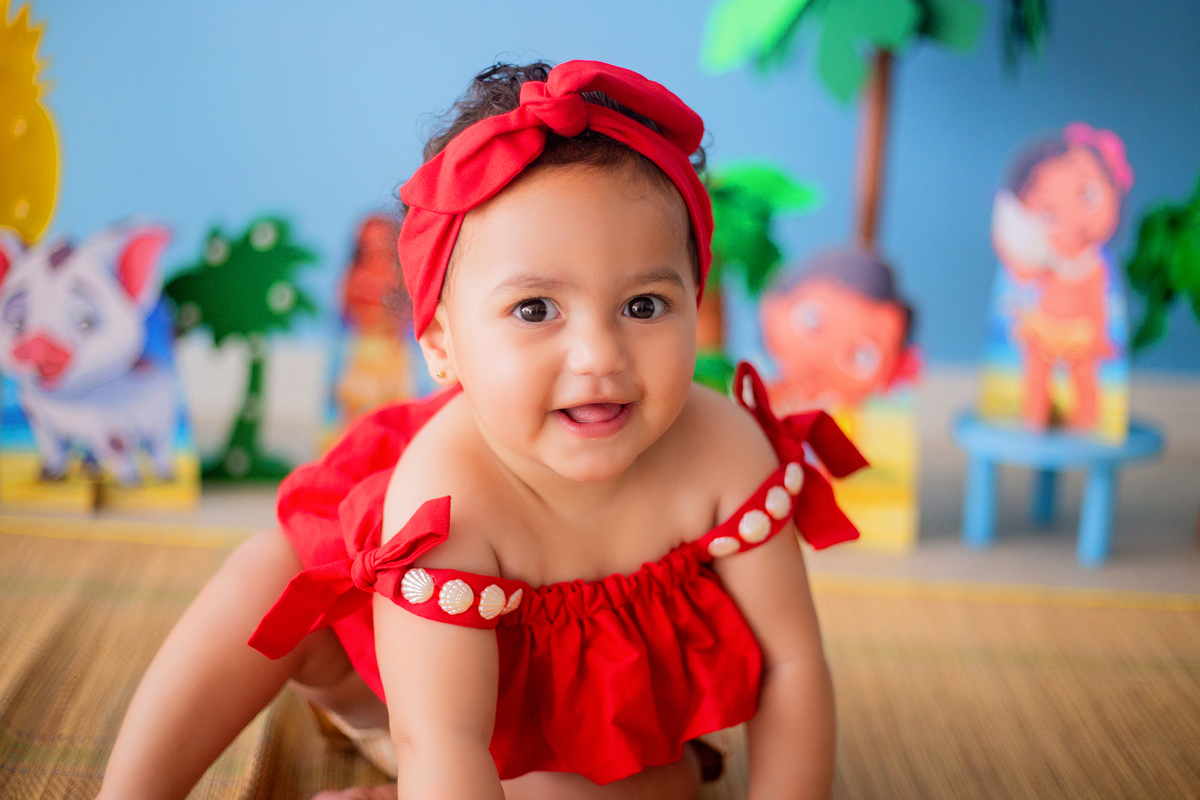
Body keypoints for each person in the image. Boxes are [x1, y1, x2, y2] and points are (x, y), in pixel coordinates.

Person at [97, 60, 866, 800]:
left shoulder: (727, 455)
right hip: (404, 702)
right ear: (441, 344)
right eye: (535, 310)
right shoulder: (449, 497)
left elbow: (792, 666)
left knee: (654, 791)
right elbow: (442, 740)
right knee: (265, 577)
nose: (600, 356)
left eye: (644, 306)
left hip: (577, 743)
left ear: (694, 305)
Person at [990, 123, 1133, 430]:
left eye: (1087, 194)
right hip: (1044, 327)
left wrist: (1100, 335)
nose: (1070, 218)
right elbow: (1022, 275)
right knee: (1037, 372)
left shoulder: (1092, 267)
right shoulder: (1044, 260)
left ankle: (1086, 418)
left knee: (1084, 374)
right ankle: (1036, 412)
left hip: (1080, 332)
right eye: (1048, 211)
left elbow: (1097, 302)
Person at [760, 249, 918, 413]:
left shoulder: (857, 419)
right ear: (772, 309)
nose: (823, 357)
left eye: (863, 356)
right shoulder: (756, 391)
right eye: (812, 320)